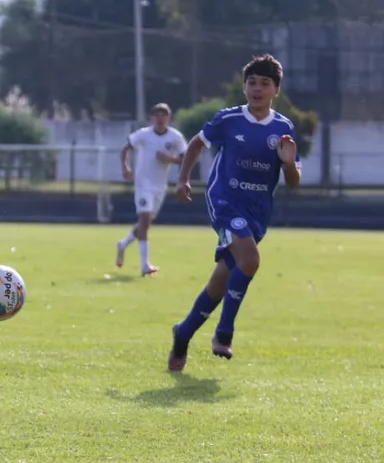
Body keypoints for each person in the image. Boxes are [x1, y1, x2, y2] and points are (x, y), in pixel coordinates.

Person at [167, 54, 300, 372]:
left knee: (220, 282)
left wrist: (289, 163)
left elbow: (293, 183)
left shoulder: (283, 128)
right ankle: (224, 333)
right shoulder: (228, 119)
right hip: (225, 201)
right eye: (252, 82)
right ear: (244, 87)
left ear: (275, 90)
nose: (257, 88)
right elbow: (197, 145)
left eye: (265, 83)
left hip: (258, 211)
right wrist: (184, 178)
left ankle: (183, 333)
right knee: (251, 261)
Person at [116, 103, 187, 276]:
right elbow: (126, 148)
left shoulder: (175, 137)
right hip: (143, 184)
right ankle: (145, 265)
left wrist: (169, 158)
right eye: (157, 115)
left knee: (145, 223)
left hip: (159, 186)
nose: (160, 118)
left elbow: (186, 158)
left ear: (168, 118)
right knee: (145, 221)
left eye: (164, 115)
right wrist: (125, 167)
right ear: (152, 118)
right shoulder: (143, 134)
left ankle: (123, 244)